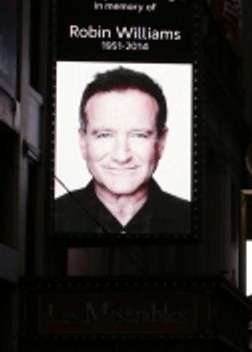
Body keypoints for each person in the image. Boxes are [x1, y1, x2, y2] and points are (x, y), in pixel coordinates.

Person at [54, 66, 190, 234]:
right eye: (104, 135)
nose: (121, 156)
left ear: (161, 142)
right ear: (83, 142)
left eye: (139, 135)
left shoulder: (190, 219)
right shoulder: (51, 217)